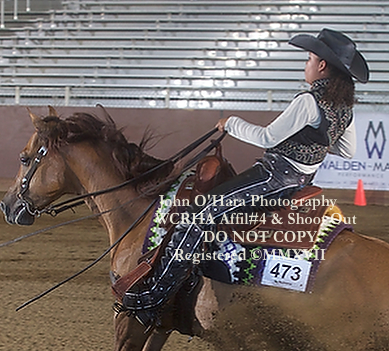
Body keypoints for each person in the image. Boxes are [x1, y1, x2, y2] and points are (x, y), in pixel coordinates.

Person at [122, 29, 369, 331]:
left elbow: (267, 138)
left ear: (322, 66)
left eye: (309, 59)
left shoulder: (308, 101)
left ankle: (154, 298)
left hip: (272, 178)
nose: (306, 64)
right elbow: (347, 150)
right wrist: (316, 141)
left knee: (199, 213)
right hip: (300, 182)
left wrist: (232, 123)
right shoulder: (344, 108)